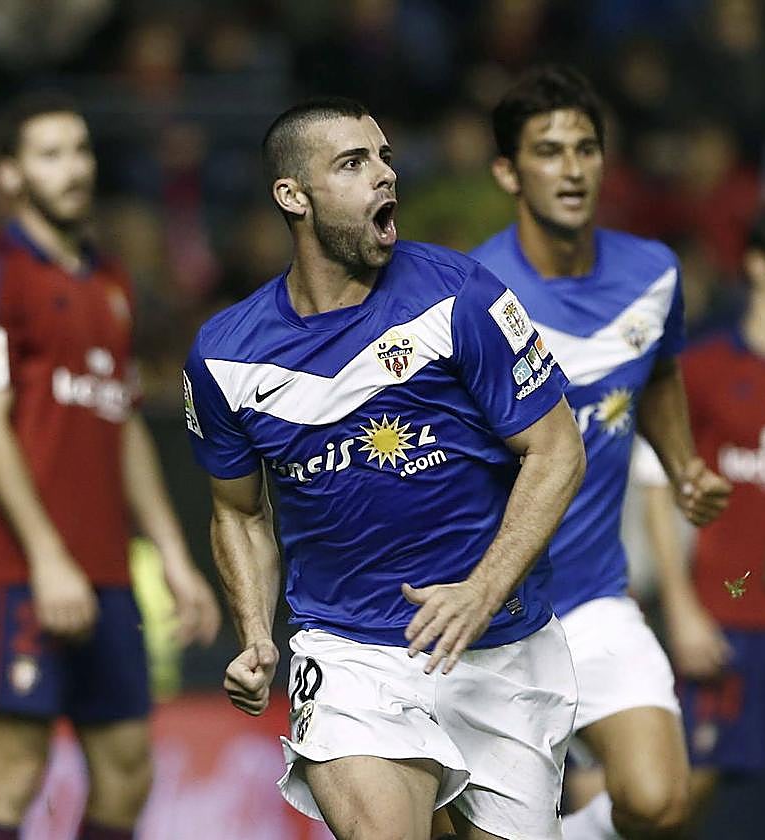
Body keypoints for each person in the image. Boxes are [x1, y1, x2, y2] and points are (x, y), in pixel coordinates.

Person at [183, 97, 586, 840]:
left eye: (384, 157)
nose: (383, 176)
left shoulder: (460, 295)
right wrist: (256, 637)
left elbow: (558, 450)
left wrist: (480, 591)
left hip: (502, 647)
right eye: (352, 163)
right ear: (292, 196)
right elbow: (238, 509)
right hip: (351, 650)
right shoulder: (224, 355)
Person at [0, 92, 221, 840]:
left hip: (104, 569)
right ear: (9, 175)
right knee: (16, 771)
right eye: (50, 153)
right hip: (17, 567)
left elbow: (120, 420)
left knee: (129, 770)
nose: (73, 168)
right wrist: (46, 557)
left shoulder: (111, 282)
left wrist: (171, 556)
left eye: (82, 150)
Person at [471, 66, 731, 840]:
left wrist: (682, 463)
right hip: (489, 614)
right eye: (548, 151)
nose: (572, 167)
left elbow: (659, 371)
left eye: (586, 148)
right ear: (507, 172)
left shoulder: (653, 274)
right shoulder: (471, 292)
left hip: (592, 597)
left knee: (658, 803)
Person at [634, 211, 765, 839]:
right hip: (732, 606)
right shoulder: (709, 368)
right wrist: (681, 605)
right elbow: (656, 478)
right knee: (684, 793)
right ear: (757, 264)